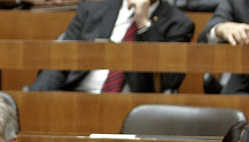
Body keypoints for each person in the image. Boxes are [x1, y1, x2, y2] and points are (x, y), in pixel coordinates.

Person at [28, 0, 194, 93]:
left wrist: (144, 24)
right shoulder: (93, 7)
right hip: (78, 98)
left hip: (131, 107)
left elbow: (169, 81)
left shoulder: (179, 24)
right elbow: (60, 59)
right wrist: (34, 98)